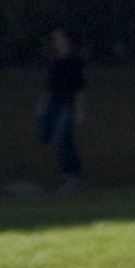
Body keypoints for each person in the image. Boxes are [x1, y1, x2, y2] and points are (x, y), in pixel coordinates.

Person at [34, 29, 84, 193]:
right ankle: (67, 174)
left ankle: (74, 176)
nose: (56, 42)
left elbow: (79, 89)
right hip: (53, 105)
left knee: (62, 140)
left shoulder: (73, 61)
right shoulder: (54, 60)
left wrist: (79, 111)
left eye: (59, 39)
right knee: (52, 139)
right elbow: (49, 86)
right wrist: (42, 105)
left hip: (66, 105)